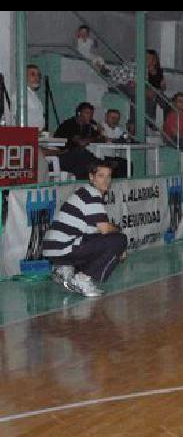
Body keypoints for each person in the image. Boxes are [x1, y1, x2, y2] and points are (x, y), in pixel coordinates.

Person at [43, 160, 128, 298]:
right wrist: (120, 240)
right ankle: (81, 280)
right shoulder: (91, 194)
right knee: (119, 239)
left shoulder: (84, 192)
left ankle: (64, 268)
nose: (106, 180)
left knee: (104, 241)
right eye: (101, 175)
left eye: (109, 176)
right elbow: (105, 229)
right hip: (63, 247)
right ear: (91, 177)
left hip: (54, 249)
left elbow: (93, 232)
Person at [54, 102, 127, 179]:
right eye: (87, 113)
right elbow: (81, 142)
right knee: (83, 153)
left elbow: (102, 139)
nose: (90, 116)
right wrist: (95, 138)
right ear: (79, 113)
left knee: (122, 163)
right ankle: (102, 164)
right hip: (64, 155)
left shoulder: (90, 124)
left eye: (92, 114)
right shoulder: (69, 124)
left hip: (82, 156)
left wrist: (99, 132)